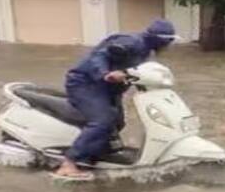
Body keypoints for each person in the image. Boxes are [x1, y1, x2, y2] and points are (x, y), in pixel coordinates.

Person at [55, 20, 176, 179]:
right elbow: (99, 55)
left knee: (118, 122)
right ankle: (68, 163)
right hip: (86, 83)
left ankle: (95, 154)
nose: (170, 45)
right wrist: (105, 73)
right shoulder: (131, 42)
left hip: (107, 87)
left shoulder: (146, 50)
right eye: (169, 41)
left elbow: (132, 72)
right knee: (103, 121)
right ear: (160, 40)